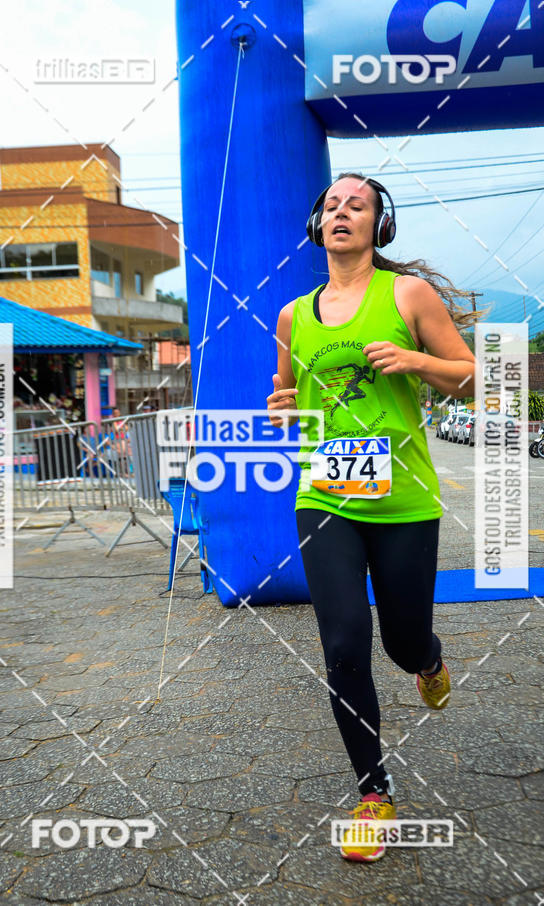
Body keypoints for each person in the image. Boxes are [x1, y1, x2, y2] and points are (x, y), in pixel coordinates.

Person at [267, 172, 484, 863]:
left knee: (399, 639)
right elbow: (288, 391)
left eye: (355, 205)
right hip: (324, 496)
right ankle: (373, 792)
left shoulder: (407, 294)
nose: (341, 212)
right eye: (331, 204)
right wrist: (282, 408)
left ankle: (429, 657)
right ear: (316, 223)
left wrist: (416, 359)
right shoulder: (293, 316)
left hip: (403, 501)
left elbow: (473, 374)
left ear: (378, 225)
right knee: (343, 643)